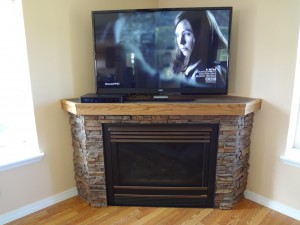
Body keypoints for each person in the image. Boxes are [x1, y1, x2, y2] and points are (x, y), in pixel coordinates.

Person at [171, 10, 228, 88]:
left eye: (187, 34)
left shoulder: (201, 76)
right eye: (178, 35)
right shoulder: (186, 64)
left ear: (203, 35)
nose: (181, 42)